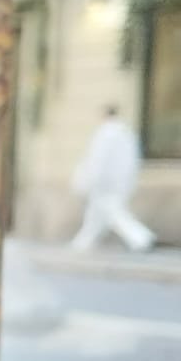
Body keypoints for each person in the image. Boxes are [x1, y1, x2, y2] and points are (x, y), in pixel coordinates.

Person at [69, 105, 156, 252]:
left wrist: (90, 180)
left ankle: (141, 237)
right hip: (120, 182)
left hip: (106, 184)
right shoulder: (126, 133)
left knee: (114, 214)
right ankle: (82, 242)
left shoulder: (106, 134)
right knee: (96, 215)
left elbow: (98, 161)